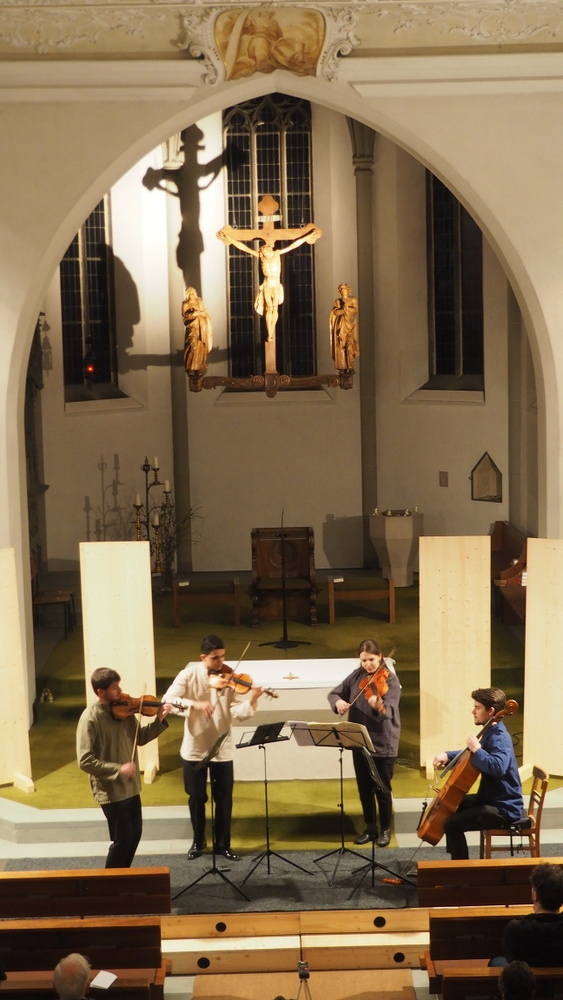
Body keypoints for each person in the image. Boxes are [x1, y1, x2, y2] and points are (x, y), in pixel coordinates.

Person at [162, 634, 266, 860]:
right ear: (203, 657)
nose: (220, 663)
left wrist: (252, 700)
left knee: (224, 798)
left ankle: (223, 845)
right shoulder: (189, 675)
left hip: (221, 747)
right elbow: (167, 700)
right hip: (194, 748)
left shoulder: (230, 678)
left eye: (222, 657)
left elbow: (236, 712)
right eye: (215, 658)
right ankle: (198, 842)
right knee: (196, 797)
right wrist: (195, 705)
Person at [76, 667, 171, 868]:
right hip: (111, 790)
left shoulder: (125, 711)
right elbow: (85, 760)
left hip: (131, 787)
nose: (120, 691)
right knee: (122, 840)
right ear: (100, 692)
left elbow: (140, 737)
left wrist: (159, 721)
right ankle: (110, 882)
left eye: (119, 686)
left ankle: (123, 877)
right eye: (114, 688)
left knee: (135, 835)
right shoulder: (90, 718)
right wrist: (118, 769)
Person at [433, 687, 524, 860]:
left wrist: (477, 749)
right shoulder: (490, 730)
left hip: (504, 807)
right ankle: (455, 862)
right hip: (491, 798)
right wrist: (447, 755)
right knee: (450, 805)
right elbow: (471, 754)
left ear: (491, 711)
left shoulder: (499, 737)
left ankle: (461, 870)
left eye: (477, 707)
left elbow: (498, 767)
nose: (473, 711)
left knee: (451, 824)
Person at [327, 638, 401, 848]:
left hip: (382, 742)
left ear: (380, 657)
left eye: (371, 660)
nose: (368, 664)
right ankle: (370, 828)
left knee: (382, 788)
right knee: (364, 787)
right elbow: (334, 693)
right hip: (358, 740)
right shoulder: (356, 676)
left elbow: (390, 711)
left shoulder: (391, 681)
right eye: (364, 660)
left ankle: (385, 828)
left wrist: (379, 705)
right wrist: (338, 702)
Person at [216, 226, 322, 343]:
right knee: (269, 308)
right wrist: (228, 238)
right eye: (264, 250)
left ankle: (271, 332)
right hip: (267, 285)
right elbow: (244, 248)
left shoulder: (277, 253)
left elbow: (293, 245)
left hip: (276, 285)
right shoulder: (261, 257)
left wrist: (308, 236)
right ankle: (270, 333)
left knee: (274, 308)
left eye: (267, 249)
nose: (266, 250)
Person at [502, 862, 563, 965]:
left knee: (497, 961)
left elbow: (511, 959)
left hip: (526, 975)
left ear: (535, 895)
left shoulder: (515, 929)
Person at [329, 282, 360, 371]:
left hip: (350, 324)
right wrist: (343, 310)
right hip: (341, 325)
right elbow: (335, 312)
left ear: (348, 290)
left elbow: (355, 310)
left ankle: (350, 365)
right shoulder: (338, 301)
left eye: (344, 288)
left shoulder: (353, 300)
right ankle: (342, 365)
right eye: (341, 289)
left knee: (350, 344)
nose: (342, 290)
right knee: (341, 344)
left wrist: (347, 309)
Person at [182, 286, 212, 373]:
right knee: (192, 345)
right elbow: (185, 316)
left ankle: (199, 366)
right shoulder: (185, 304)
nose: (191, 295)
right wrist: (194, 314)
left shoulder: (199, 302)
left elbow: (205, 313)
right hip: (192, 327)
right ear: (187, 294)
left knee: (201, 346)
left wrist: (199, 313)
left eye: (193, 293)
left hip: (201, 327)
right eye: (190, 293)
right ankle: (190, 367)